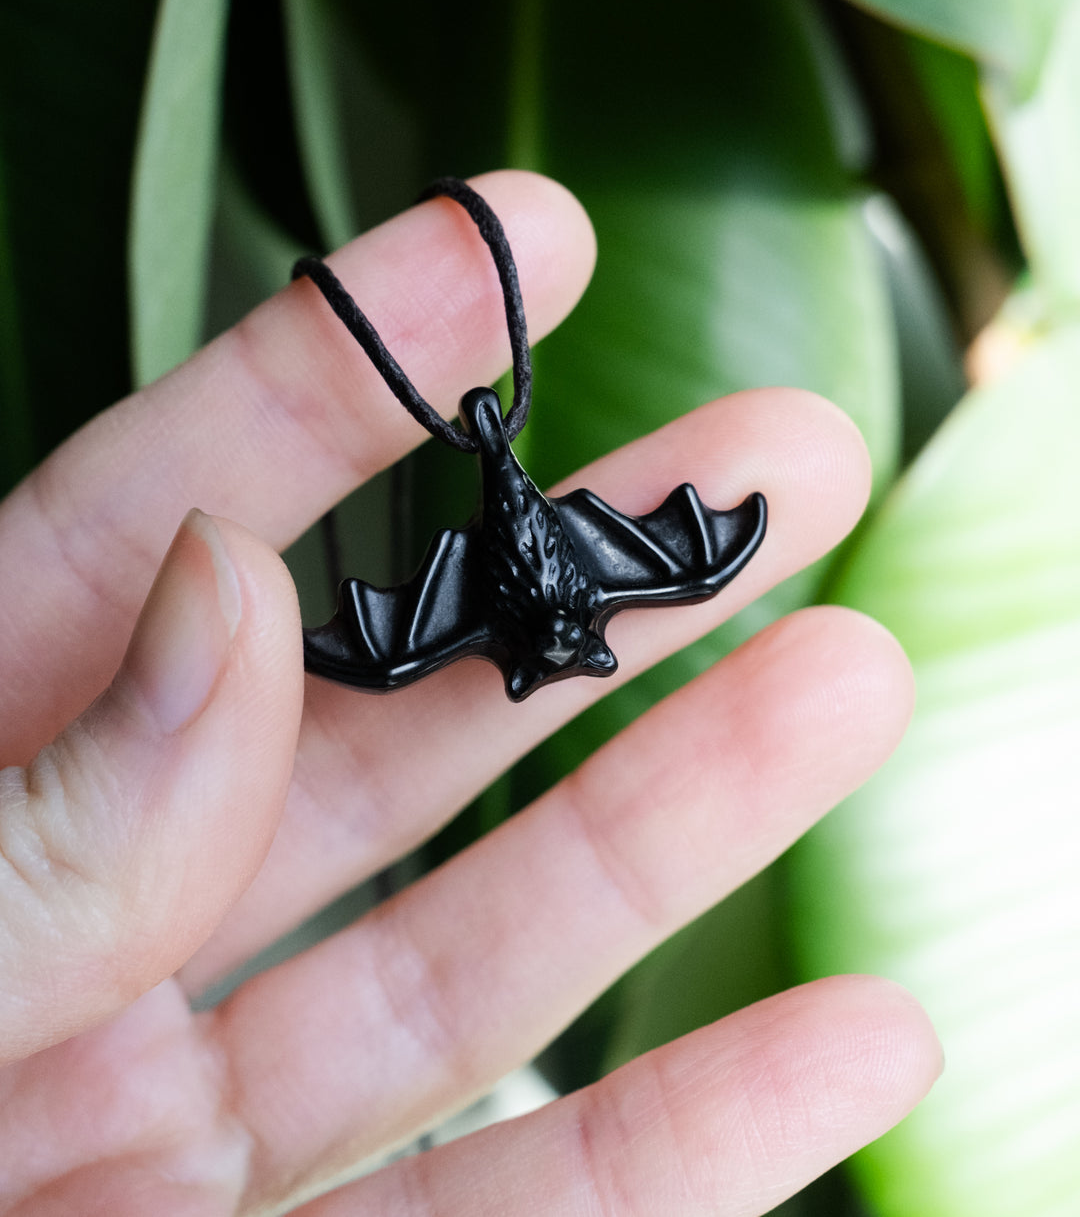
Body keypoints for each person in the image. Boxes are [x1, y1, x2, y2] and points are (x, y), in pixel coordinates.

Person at [0, 171, 940, 1213]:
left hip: (537, 553)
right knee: (622, 594)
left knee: (665, 583)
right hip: (533, 556)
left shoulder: (618, 580)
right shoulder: (576, 593)